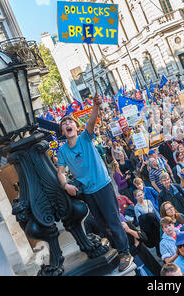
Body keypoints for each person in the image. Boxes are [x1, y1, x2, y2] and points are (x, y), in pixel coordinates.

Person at [56, 94, 133, 273]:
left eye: (70, 122)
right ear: (62, 131)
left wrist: (96, 106)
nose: (68, 124)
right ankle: (115, 249)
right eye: (64, 124)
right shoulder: (63, 150)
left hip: (103, 186)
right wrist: (66, 185)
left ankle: (125, 253)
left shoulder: (85, 138)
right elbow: (60, 172)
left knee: (113, 221)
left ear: (76, 127)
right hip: (88, 192)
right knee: (101, 225)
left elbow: (91, 122)